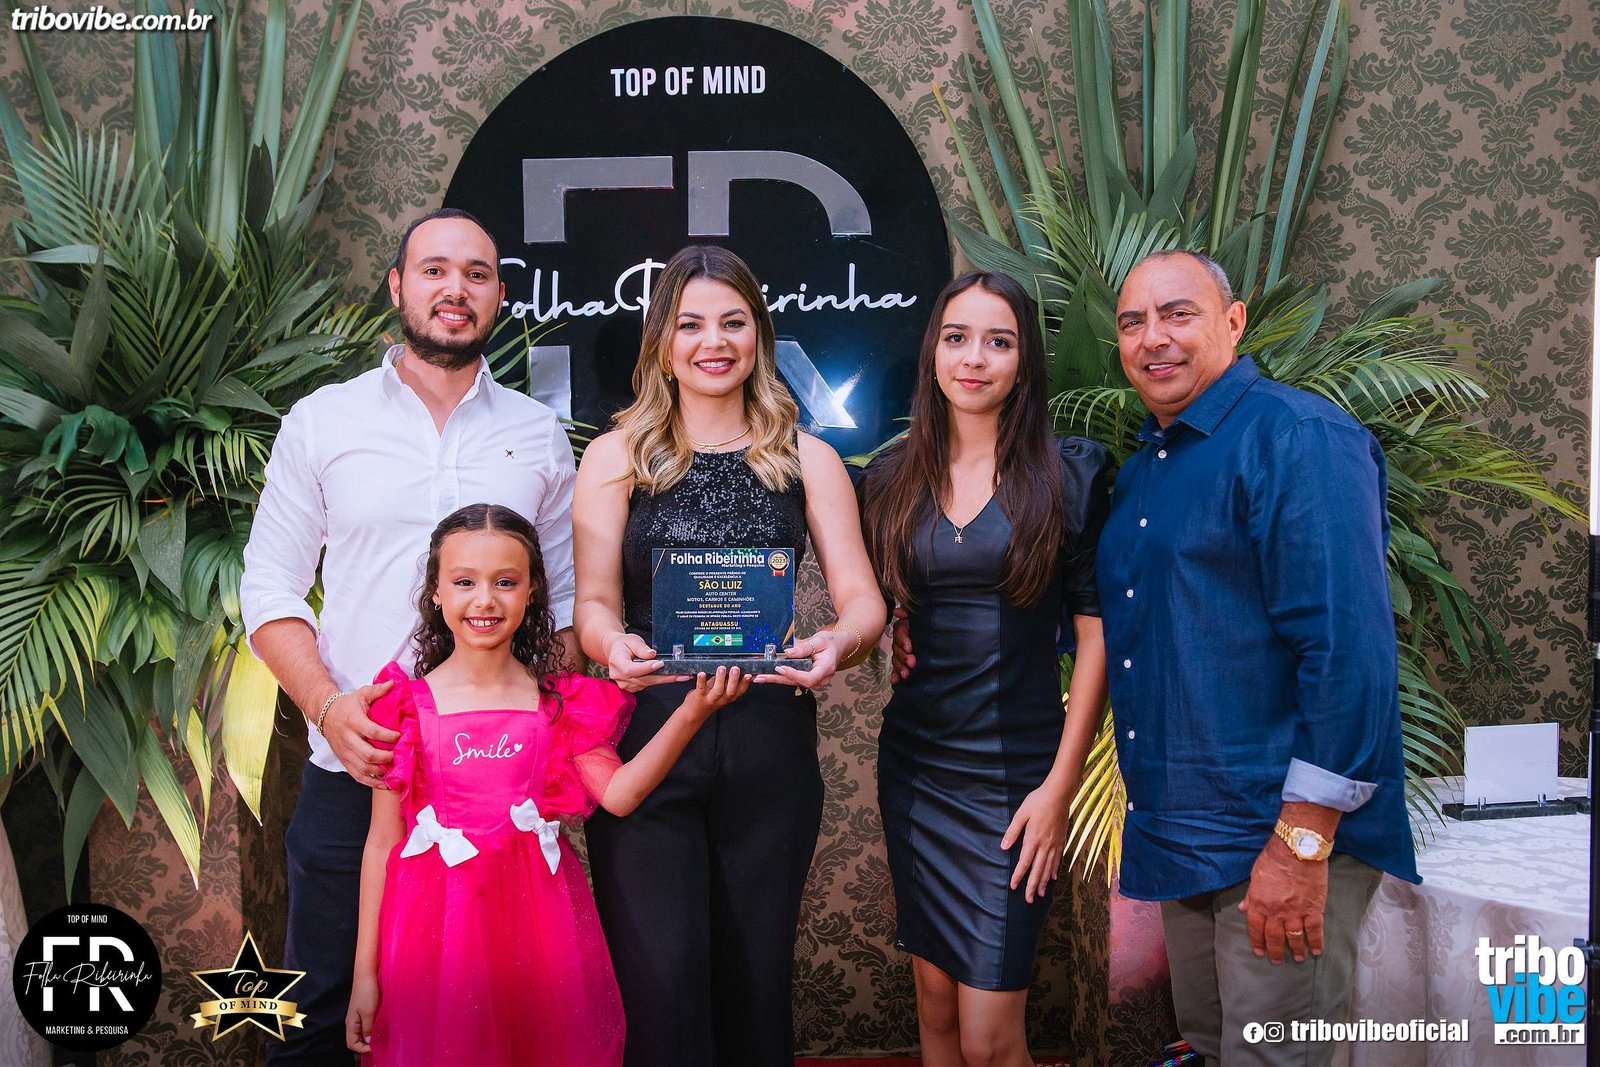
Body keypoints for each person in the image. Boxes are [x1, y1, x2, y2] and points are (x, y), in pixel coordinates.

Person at [240, 208, 578, 1065]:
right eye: (434, 270)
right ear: (397, 286)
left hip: (489, 786)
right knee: (317, 1018)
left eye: (476, 273)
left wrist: (536, 733)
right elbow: (269, 587)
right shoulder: (323, 420)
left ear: (499, 296)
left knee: (484, 1021)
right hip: (356, 769)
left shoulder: (536, 433)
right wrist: (328, 707)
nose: (454, 289)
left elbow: (566, 608)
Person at [1098, 249, 1418, 1066]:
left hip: (1279, 835)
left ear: (1234, 322)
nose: (1153, 338)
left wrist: (1301, 841)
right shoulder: (1145, 471)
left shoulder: (1297, 436)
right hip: (1185, 833)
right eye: (1133, 322)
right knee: (1214, 1050)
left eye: (1178, 314)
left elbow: (1347, 651)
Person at [572, 244, 886, 1067]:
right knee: (661, 987)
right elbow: (592, 604)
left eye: (733, 322)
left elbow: (863, 601)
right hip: (648, 733)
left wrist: (839, 640)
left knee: (755, 984)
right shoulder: (615, 457)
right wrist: (610, 644)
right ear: (662, 343)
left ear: (759, 336)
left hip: (768, 738)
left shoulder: (808, 458)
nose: (713, 341)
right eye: (691, 324)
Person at [343, 504, 749, 1065]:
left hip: (538, 929)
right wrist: (365, 975)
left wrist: (691, 713)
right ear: (435, 591)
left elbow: (620, 795)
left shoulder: (559, 703)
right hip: (434, 934)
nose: (485, 600)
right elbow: (381, 844)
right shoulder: (402, 709)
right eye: (464, 582)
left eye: (505, 582)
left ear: (532, 590)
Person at [858, 271, 1109, 1066]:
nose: (974, 358)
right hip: (916, 771)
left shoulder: (1070, 474)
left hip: (1015, 781)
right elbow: (882, 603)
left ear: (1024, 359)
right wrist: (894, 625)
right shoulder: (889, 476)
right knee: (935, 1015)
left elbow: (1096, 639)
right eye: (957, 337)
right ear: (933, 351)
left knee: (991, 1039)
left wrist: (1059, 788)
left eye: (998, 341)